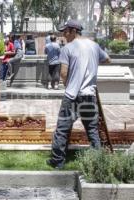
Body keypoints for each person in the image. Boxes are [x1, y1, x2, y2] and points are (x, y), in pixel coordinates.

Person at [47, 19, 110, 169]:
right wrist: (92, 65)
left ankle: (58, 161)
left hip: (72, 96)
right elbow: (108, 59)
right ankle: (97, 163)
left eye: (66, 31)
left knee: (62, 129)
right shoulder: (94, 46)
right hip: (89, 95)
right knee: (92, 130)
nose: (64, 35)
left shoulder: (68, 48)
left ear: (74, 31)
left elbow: (63, 73)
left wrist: (69, 85)